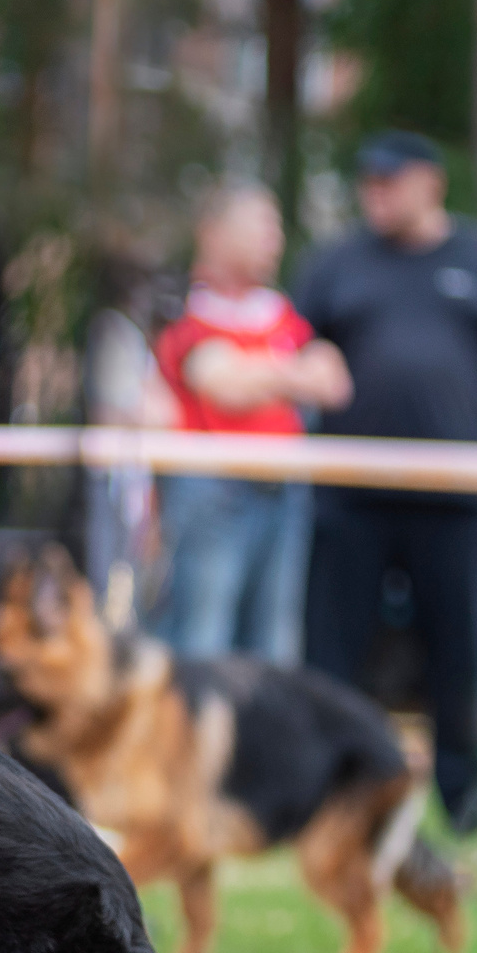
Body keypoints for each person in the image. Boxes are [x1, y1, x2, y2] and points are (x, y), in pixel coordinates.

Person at [293, 131, 477, 835]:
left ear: (431, 183)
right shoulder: (336, 264)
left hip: (456, 494)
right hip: (351, 491)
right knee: (333, 650)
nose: (376, 193)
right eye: (368, 181)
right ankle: (330, 792)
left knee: (460, 649)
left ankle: (463, 790)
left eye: (390, 180)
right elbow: (288, 346)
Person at [148, 183, 352, 664]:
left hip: (282, 488)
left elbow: (334, 382)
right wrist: (292, 373)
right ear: (214, 233)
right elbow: (222, 386)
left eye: (275, 228)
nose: (273, 240)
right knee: (203, 638)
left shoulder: (279, 312)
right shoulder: (184, 309)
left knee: (276, 640)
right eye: (260, 226)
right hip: (212, 493)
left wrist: (255, 370)